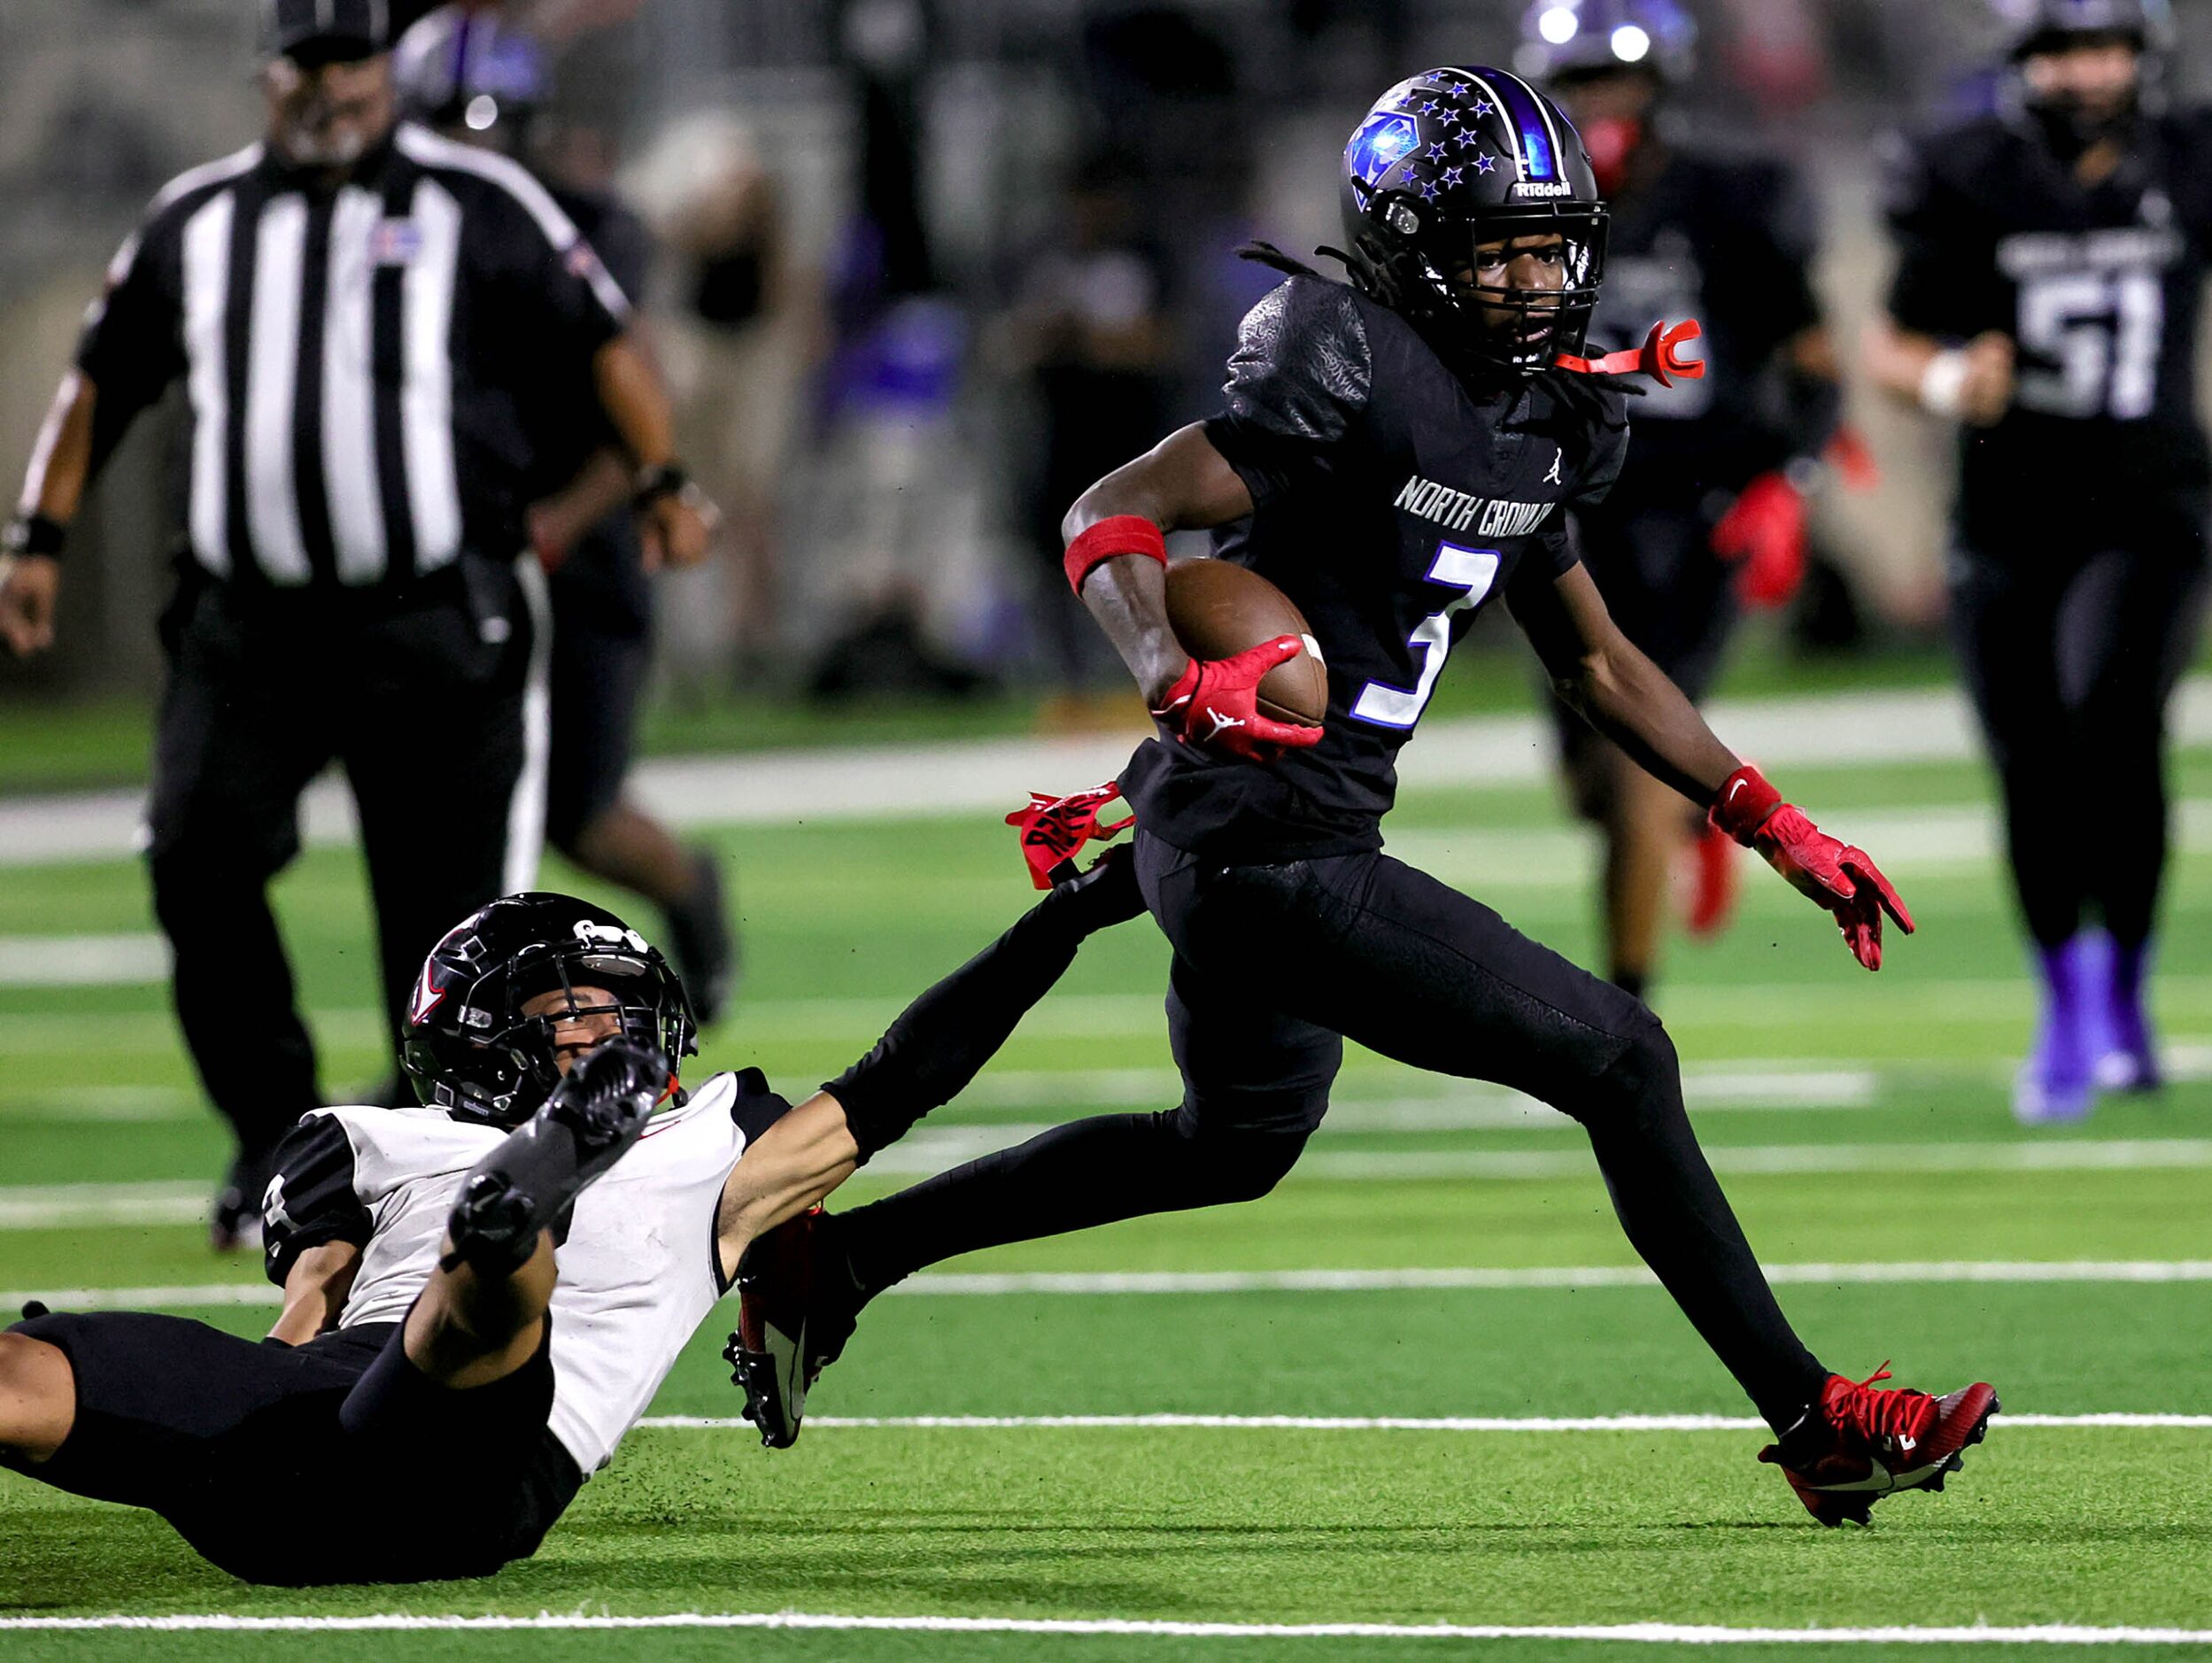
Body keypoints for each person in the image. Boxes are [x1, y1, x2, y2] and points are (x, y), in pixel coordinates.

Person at [730, 66, 1997, 1528]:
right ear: (1406, 248)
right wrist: (1165, 670)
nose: (1528, 280)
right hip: (1263, 841)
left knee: (1234, 1143)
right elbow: (1108, 514)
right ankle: (1811, 1414)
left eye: (1546, 244)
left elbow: (1593, 659)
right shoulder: (1343, 355)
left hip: (1260, 832)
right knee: (1622, 1059)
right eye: (1490, 248)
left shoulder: (1548, 417)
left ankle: (840, 1263)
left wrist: (1771, 820)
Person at [0, 0, 711, 1249]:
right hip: (248, 624)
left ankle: (427, 1170)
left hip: (432, 621)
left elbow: (605, 340)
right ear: (268, 71)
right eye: (309, 61)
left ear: (386, 67)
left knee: (449, 933)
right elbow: (101, 376)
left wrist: (659, 478)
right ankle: (277, 1145)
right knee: (193, 859)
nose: (333, 87)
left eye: (354, 59)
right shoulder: (199, 217)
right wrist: (36, 537)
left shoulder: (476, 200)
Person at [0, 864, 1140, 1584]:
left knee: (488, 1295)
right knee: (23, 1377)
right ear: (477, 1040)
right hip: (312, 1434)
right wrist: (231, 1410)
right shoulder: (368, 1138)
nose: (602, 1033)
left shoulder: (718, 1150)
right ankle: (508, 1216)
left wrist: (1066, 919)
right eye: (564, 1014)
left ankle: (510, 1219)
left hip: (477, 1468)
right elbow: (308, 1311)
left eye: (613, 1012)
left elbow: (900, 1080)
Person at [1866, 0, 2211, 1123]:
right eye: (2063, 51)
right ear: (2024, 65)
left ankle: (2123, 989)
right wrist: (1943, 383)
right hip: (2008, 516)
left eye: (2105, 47)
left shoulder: (2184, 158)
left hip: (2146, 505)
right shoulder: (1964, 170)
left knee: (2108, 715)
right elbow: (1892, 341)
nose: (2088, 72)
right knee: (2027, 762)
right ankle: (2063, 996)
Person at [391, 4, 738, 1022]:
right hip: (450, 561)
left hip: (573, 557)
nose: (466, 149)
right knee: (455, 813)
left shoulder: (582, 228)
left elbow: (636, 396)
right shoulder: (380, 237)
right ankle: (453, 1027)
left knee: (576, 814)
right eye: (447, 125)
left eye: (485, 124)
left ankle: (684, 885)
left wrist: (565, 516)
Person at [1520, 0, 1846, 999]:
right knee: (1586, 782)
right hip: (1571, 506)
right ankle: (1680, 815)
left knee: (1631, 761)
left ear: (1661, 84)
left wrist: (1788, 477)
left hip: (1696, 506)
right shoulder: (1520, 207)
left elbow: (1810, 355)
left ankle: (1624, 1009)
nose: (1599, 104)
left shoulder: (1732, 197)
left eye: (1614, 82)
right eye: (1577, 86)